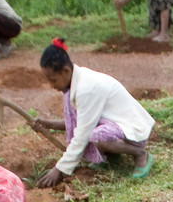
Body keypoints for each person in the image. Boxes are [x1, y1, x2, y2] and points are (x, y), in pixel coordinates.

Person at [32, 39, 155, 188]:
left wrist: (59, 169)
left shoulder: (86, 89)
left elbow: (83, 133)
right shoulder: (74, 85)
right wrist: (48, 124)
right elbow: (78, 123)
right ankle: (110, 157)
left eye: (53, 80)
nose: (52, 86)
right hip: (114, 127)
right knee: (93, 131)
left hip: (132, 131)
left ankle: (140, 154)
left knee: (98, 137)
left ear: (65, 71)